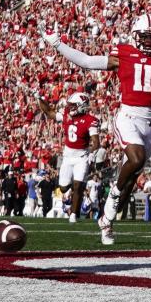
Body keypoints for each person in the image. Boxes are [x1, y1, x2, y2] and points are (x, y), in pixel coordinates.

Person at [41, 13, 151, 245]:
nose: (149, 41)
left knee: (131, 182)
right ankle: (112, 196)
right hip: (127, 115)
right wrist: (57, 44)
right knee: (134, 160)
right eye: (145, 37)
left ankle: (107, 222)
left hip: (150, 121)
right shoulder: (123, 53)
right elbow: (86, 61)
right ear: (136, 36)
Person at [37, 91, 100, 223]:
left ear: (82, 105)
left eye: (73, 105)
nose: (70, 108)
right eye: (70, 105)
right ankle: (75, 195)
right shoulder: (66, 115)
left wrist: (92, 154)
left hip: (82, 156)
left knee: (78, 186)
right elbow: (49, 112)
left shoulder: (91, 120)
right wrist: (39, 98)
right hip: (67, 156)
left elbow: (96, 142)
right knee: (64, 188)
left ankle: (74, 214)